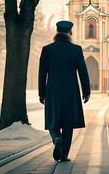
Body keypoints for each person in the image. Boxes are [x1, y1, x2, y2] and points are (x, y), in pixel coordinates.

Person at [38, 20, 91, 162]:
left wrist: (41, 92)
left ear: (57, 33)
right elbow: (83, 72)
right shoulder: (76, 49)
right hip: (71, 91)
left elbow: (42, 73)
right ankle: (64, 154)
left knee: (52, 120)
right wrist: (86, 91)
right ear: (71, 33)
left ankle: (56, 138)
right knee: (68, 123)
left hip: (52, 90)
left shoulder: (47, 49)